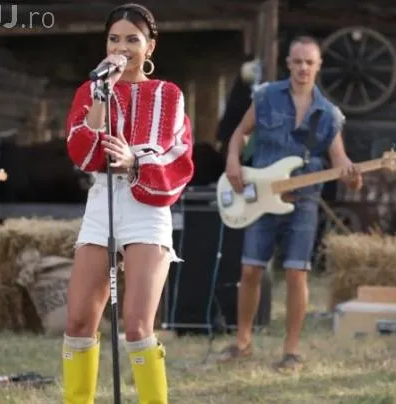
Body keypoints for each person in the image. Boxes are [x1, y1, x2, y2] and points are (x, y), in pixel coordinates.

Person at [62, 3, 194, 403]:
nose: (121, 48)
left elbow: (178, 155)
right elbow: (82, 152)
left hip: (147, 207)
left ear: (149, 47)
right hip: (102, 200)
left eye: (132, 40)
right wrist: (101, 93)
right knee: (79, 320)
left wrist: (135, 160)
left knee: (136, 326)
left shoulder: (168, 95)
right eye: (114, 39)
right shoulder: (90, 91)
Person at [217, 35, 363, 372]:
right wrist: (233, 161)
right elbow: (240, 133)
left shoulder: (328, 114)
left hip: (304, 202)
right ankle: (242, 342)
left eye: (309, 62)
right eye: (297, 62)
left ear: (318, 66)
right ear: (288, 64)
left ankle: (292, 351)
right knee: (250, 269)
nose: (303, 68)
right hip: (261, 195)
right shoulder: (266, 96)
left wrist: (353, 176)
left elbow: (339, 159)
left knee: (297, 273)